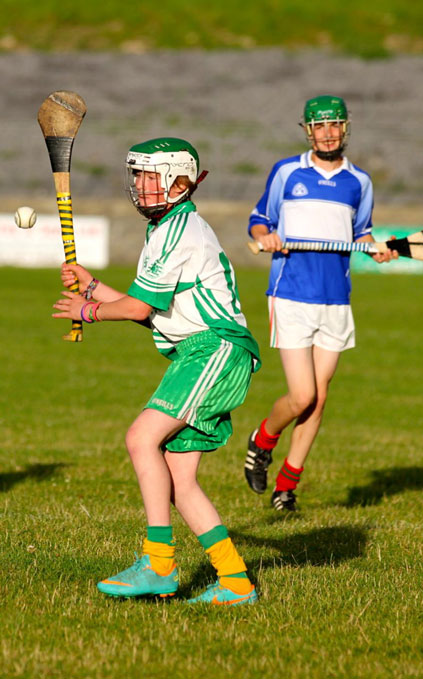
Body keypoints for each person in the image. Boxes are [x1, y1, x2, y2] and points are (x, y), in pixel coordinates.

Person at [53, 137, 261, 605]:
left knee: (140, 438)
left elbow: (138, 308)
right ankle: (235, 582)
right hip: (199, 352)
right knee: (179, 478)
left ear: (180, 183)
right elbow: (149, 310)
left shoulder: (179, 231)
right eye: (138, 176)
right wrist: (94, 286)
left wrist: (86, 310)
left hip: (215, 350)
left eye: (151, 176)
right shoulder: (165, 229)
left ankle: (159, 564)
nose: (140, 186)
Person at [244, 95, 398, 511]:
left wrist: (376, 248)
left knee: (320, 397)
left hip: (336, 299)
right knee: (301, 396)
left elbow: (360, 233)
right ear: (307, 130)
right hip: (292, 293)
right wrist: (266, 236)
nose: (327, 133)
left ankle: (286, 485)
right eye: (319, 126)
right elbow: (259, 220)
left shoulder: (359, 182)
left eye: (335, 125)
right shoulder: (286, 172)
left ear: (346, 129)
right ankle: (262, 440)